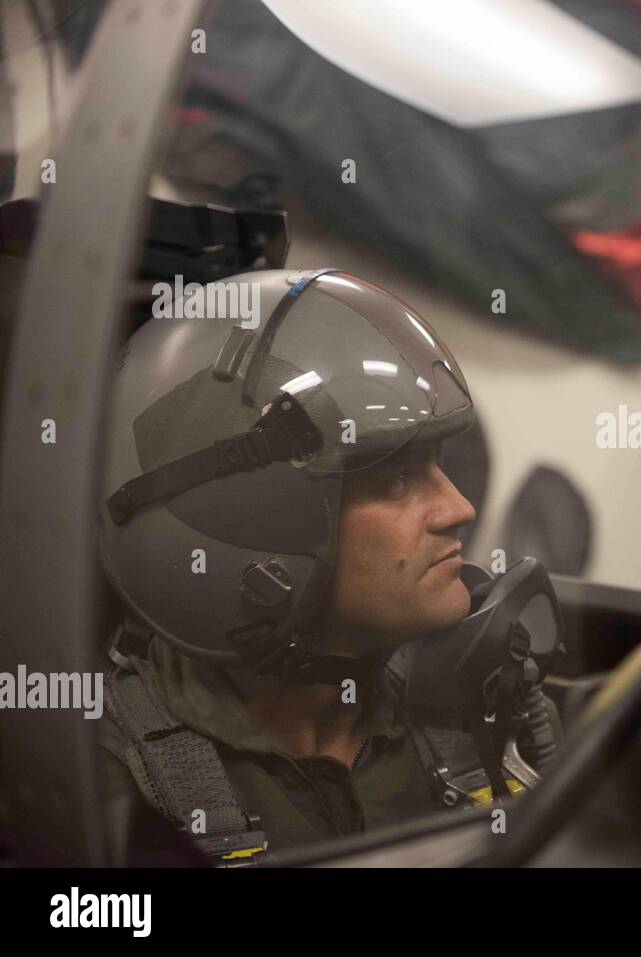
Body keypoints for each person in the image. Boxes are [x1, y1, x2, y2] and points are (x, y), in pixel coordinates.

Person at [96, 268, 561, 864]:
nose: (460, 508)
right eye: (396, 479)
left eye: (438, 466)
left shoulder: (483, 709)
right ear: (250, 528)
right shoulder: (110, 789)